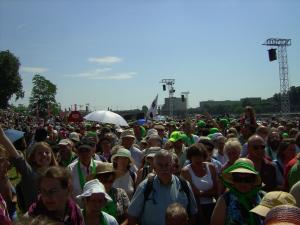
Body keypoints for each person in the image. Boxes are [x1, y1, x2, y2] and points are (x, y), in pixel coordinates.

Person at [128, 150, 198, 225]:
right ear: (154, 168)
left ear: (173, 166)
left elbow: (193, 214)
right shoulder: (145, 186)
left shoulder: (184, 185)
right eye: (160, 165)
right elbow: (132, 216)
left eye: (167, 165)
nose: (164, 168)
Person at [0, 126, 58, 213]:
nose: (44, 155)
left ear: (52, 155)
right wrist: (3, 137)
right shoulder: (30, 174)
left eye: (47, 152)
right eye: (40, 153)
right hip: (36, 219)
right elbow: (17, 158)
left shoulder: (59, 174)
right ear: (34, 157)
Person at [211, 158, 264, 225]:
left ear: (253, 180)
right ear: (233, 180)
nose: (243, 183)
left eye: (247, 179)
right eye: (238, 178)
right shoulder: (225, 199)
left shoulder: (263, 197)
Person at [180, 143, 217, 225]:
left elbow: (216, 190)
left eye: (200, 155)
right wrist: (208, 193)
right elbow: (193, 193)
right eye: (195, 156)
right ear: (190, 157)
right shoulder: (185, 171)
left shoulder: (211, 167)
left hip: (212, 207)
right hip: (195, 209)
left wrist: (200, 193)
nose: (198, 158)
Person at [68, 137, 103, 207]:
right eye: (81, 151)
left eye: (87, 150)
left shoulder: (100, 166)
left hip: (98, 207)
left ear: (93, 152)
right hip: (78, 209)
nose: (84, 153)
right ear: (77, 153)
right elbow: (68, 192)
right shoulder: (70, 169)